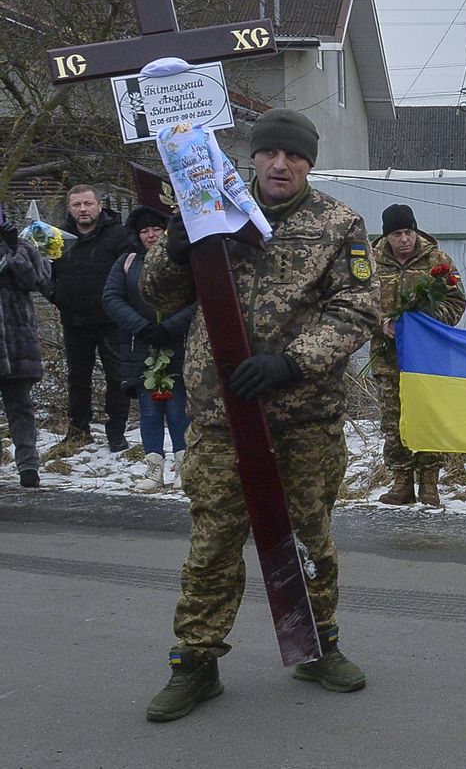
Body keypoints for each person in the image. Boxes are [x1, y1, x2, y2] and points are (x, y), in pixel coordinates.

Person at [141, 108, 379, 721]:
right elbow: (159, 296)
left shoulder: (339, 224)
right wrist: (174, 244)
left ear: (309, 163)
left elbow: (357, 310)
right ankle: (195, 663)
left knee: (308, 540)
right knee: (213, 543)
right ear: (253, 158)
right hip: (223, 415)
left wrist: (292, 364)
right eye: (271, 152)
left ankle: (316, 645)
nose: (281, 164)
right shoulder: (210, 211)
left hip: (304, 418)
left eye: (294, 155)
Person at [371, 203, 466, 507]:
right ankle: (401, 481)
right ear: (387, 236)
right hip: (388, 358)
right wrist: (381, 324)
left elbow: (456, 302)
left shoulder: (437, 260)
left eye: (408, 231)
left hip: (429, 358)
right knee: (393, 419)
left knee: (428, 417)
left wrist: (427, 322)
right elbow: (356, 302)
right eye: (397, 233)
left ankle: (429, 481)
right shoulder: (371, 262)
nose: (404, 239)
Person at [102, 206, 196, 493]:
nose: (151, 235)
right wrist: (142, 327)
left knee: (179, 409)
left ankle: (184, 466)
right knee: (150, 410)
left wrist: (171, 326)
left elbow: (199, 299)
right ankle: (154, 469)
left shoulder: (183, 258)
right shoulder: (127, 262)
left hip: (177, 343)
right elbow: (112, 298)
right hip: (141, 348)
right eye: (144, 230)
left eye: (156, 228)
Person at [48, 184, 132, 453]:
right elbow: (43, 272)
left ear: (99, 205)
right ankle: (78, 431)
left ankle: (116, 433)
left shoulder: (119, 235)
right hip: (74, 321)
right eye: (76, 205)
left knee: (117, 378)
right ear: (70, 208)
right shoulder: (57, 237)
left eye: (87, 204)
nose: (82, 209)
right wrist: (55, 295)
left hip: (111, 321)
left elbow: (132, 273)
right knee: (77, 379)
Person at [0, 217, 50, 488]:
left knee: (20, 406)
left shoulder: (21, 245)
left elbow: (37, 280)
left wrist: (14, 248)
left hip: (17, 342)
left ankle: (28, 464)